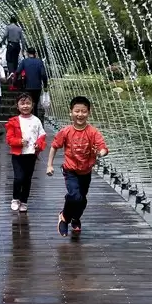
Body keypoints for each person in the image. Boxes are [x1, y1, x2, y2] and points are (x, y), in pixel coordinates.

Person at [46, 96, 108, 236]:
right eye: (77, 111)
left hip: (86, 172)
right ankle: (64, 217)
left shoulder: (93, 132)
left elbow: (102, 147)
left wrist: (101, 152)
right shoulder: (66, 131)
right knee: (75, 196)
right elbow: (54, 146)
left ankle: (76, 218)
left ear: (89, 112)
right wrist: (49, 165)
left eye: (83, 111)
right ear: (71, 112)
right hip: (70, 170)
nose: (80, 115)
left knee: (82, 200)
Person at [5, 93, 47, 213]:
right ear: (17, 106)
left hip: (31, 154)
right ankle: (15, 198)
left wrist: (39, 143)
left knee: (27, 179)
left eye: (28, 103)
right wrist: (19, 141)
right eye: (22, 104)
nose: (25, 106)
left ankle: (24, 201)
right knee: (19, 178)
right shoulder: (14, 121)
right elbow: (9, 139)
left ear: (32, 105)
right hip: (18, 155)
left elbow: (42, 134)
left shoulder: (36, 120)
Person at [15, 47, 48, 118]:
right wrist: (45, 85)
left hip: (27, 87)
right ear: (35, 53)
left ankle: (27, 118)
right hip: (37, 87)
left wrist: (15, 82)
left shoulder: (24, 61)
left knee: (27, 103)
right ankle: (35, 119)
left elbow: (17, 72)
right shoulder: (39, 62)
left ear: (27, 53)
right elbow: (43, 74)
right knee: (35, 104)